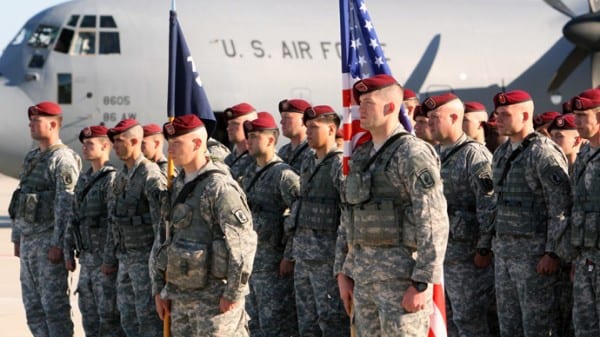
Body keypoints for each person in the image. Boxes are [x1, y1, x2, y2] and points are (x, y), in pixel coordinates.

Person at [335, 74, 449, 336]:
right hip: (363, 282)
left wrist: (422, 282)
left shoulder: (412, 154)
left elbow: (433, 220)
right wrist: (343, 271)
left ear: (389, 108)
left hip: (401, 284)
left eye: (368, 103)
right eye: (359, 103)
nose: (359, 109)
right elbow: (348, 216)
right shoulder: (361, 155)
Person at [152, 114, 257, 336]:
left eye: (177, 143)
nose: (170, 149)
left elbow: (243, 245)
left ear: (198, 143)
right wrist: (158, 288)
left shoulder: (219, 187)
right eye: (169, 143)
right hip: (180, 298)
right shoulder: (177, 184)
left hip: (214, 302)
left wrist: (233, 294)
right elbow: (165, 238)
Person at [491, 90, 571, 337]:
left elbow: (561, 207)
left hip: (534, 261)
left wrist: (552, 252)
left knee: (539, 328)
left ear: (525, 115)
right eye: (497, 114)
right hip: (505, 257)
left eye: (505, 114)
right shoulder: (502, 154)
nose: (498, 120)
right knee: (509, 327)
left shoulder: (543, 153)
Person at [424, 93, 496, 337]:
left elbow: (489, 204)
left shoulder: (474, 155)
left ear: (455, 117)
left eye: (435, 117)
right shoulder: (432, 154)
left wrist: (484, 248)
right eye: (428, 118)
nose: (430, 122)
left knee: (469, 322)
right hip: (441, 256)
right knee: (447, 321)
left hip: (467, 258)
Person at [9, 101, 81, 337]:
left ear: (52, 125)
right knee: (34, 308)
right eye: (31, 120)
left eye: (36, 121)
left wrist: (59, 243)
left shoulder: (63, 160)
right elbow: (22, 198)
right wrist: (17, 237)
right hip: (30, 243)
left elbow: (66, 205)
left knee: (55, 309)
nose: (30, 124)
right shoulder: (32, 158)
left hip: (48, 244)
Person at [288, 105, 349, 336]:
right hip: (304, 257)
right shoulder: (308, 162)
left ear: (332, 129)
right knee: (307, 323)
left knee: (331, 322)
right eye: (307, 127)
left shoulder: (340, 165)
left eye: (314, 127)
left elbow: (347, 215)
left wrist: (343, 264)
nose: (308, 132)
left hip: (327, 260)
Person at [103, 119, 167, 337]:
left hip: (145, 261)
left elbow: (162, 225)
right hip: (126, 260)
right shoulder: (121, 177)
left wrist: (159, 269)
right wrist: (110, 258)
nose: (115, 146)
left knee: (148, 321)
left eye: (119, 141)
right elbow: (114, 221)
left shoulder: (150, 175)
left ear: (135, 141)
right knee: (128, 319)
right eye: (114, 142)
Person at [242, 112, 300, 337]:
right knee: (254, 325)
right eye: (249, 136)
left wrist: (289, 255)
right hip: (253, 265)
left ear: (271, 140)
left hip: (274, 266)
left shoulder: (284, 175)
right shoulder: (250, 172)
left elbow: (298, 215)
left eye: (255, 136)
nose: (250, 140)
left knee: (275, 326)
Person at [64, 125, 125, 337]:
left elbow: (113, 224)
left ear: (105, 146)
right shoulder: (83, 180)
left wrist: (109, 260)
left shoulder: (111, 180)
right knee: (89, 317)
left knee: (109, 318)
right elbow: (72, 219)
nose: (85, 148)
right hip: (87, 260)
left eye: (90, 144)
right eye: (84, 144)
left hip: (104, 264)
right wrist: (68, 251)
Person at [566, 88, 600, 337]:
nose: (575, 122)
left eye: (582, 116)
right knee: (584, 326)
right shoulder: (585, 154)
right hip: (586, 256)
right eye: (575, 115)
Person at [277, 98, 313, 173]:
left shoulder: (313, 152)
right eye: (282, 118)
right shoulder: (283, 151)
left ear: (304, 121)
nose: (282, 122)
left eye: (287, 118)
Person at [224, 102, 258, 181]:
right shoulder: (228, 160)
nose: (228, 128)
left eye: (235, 124)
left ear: (249, 126)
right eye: (228, 124)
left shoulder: (259, 159)